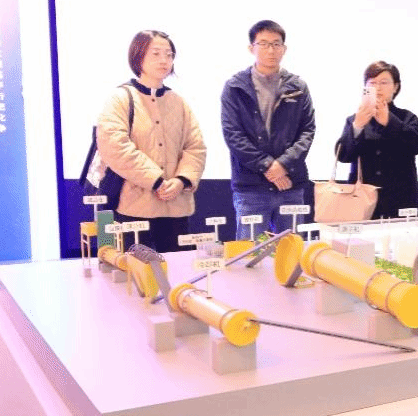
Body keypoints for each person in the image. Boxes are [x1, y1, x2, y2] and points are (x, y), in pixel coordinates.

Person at [96, 30, 206, 253]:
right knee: (135, 269)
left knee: (179, 269)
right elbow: (115, 146)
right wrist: (156, 181)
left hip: (176, 207)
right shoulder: (120, 98)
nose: (164, 60)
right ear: (138, 56)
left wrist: (181, 181)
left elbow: (196, 147)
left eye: (169, 54)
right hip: (132, 207)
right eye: (155, 54)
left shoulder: (178, 102)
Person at [221, 20, 316, 238]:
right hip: (251, 187)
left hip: (290, 185)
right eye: (263, 44)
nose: (270, 50)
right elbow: (233, 135)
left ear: (284, 48)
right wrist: (268, 167)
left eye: (276, 44)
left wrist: (282, 165)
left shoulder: (298, 86)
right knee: (250, 253)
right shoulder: (235, 87)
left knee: (292, 253)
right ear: (251, 48)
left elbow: (307, 131)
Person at [337, 61, 418, 219]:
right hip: (362, 203)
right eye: (372, 83)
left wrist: (389, 122)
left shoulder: (406, 117)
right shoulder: (354, 119)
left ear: (396, 87)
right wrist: (357, 126)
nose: (378, 88)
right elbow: (343, 156)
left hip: (400, 201)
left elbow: (417, 144)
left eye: (384, 82)